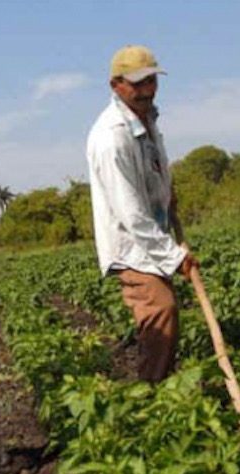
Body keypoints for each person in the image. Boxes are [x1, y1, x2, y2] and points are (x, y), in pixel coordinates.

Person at [86, 45, 197, 382]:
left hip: (155, 234)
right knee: (161, 310)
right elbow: (131, 213)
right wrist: (174, 257)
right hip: (132, 246)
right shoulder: (110, 138)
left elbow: (153, 169)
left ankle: (159, 382)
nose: (147, 89)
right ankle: (151, 400)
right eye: (138, 83)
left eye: (151, 80)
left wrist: (168, 194)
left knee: (163, 318)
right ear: (115, 85)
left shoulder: (147, 117)